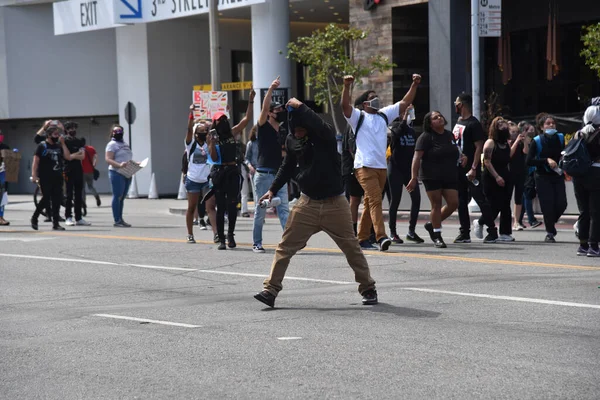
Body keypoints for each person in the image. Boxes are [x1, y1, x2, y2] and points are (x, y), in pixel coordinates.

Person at [253, 98, 378, 308]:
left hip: (335, 204)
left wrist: (302, 107)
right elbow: (287, 166)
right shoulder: (293, 140)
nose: (299, 133)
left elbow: (321, 127)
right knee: (284, 247)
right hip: (307, 203)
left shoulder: (323, 136)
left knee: (351, 248)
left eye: (302, 129)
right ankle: (270, 290)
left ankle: (367, 288)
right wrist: (272, 189)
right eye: (296, 130)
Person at [341, 73, 421, 251]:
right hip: (364, 166)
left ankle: (361, 239)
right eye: (371, 98)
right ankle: (381, 236)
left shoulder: (384, 115)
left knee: (370, 202)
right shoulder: (358, 117)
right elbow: (344, 106)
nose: (376, 99)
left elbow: (404, 103)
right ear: (364, 104)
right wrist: (346, 87)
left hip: (381, 167)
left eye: (376, 97)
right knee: (376, 200)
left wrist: (414, 85)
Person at [408, 111, 464, 248]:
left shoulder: (449, 134)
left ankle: (432, 224)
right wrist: (413, 177)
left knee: (454, 203)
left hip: (449, 174)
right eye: (435, 118)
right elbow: (416, 158)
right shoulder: (425, 137)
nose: (439, 118)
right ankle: (437, 235)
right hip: (431, 175)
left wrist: (463, 156)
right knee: (436, 204)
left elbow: (456, 150)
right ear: (430, 123)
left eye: (440, 116)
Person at [208, 90, 255, 250]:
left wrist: (250, 101)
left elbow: (247, 119)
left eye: (224, 119)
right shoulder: (212, 138)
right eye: (219, 120)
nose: (222, 122)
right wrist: (212, 143)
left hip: (233, 170)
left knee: (232, 204)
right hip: (219, 172)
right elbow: (213, 158)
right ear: (214, 124)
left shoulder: (232, 132)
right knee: (220, 206)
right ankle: (221, 238)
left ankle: (230, 235)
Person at [452, 93, 497, 243]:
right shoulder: (459, 121)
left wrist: (473, 168)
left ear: (462, 105)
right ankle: (464, 232)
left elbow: (479, 147)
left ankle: (492, 231)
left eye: (457, 103)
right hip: (459, 168)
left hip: (471, 169)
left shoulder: (473, 123)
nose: (455, 105)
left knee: (480, 199)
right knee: (461, 200)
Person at [252, 77, 290, 253]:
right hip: (263, 174)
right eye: (278, 109)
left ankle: (289, 241)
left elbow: (282, 152)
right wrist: (271, 89)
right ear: (270, 112)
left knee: (283, 209)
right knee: (261, 211)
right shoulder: (263, 125)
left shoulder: (282, 130)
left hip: (278, 174)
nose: (280, 111)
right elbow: (264, 107)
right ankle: (257, 243)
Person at [30, 121, 80, 231]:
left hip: (57, 176)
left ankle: (56, 223)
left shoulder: (58, 145)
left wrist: (62, 144)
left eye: (58, 134)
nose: (57, 136)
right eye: (55, 135)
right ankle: (35, 218)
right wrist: (34, 175)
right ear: (48, 135)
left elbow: (67, 156)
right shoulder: (42, 146)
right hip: (45, 176)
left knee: (57, 199)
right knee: (46, 198)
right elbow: (36, 161)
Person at [526, 114, 567, 243]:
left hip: (557, 175)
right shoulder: (537, 141)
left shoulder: (560, 138)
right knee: (547, 205)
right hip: (542, 176)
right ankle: (550, 232)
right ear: (542, 127)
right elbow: (529, 161)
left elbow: (563, 153)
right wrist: (546, 160)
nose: (551, 125)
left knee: (562, 203)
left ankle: (549, 221)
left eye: (553, 123)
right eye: (548, 124)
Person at [387, 104, 424, 244]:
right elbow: (395, 137)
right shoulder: (396, 126)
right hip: (395, 169)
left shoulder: (411, 130)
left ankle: (411, 231)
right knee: (395, 201)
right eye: (407, 112)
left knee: (416, 198)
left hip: (408, 170)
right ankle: (392, 232)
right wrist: (403, 118)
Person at [572, 105, 600, 257]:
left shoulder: (579, 133)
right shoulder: (598, 132)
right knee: (596, 211)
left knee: (584, 211)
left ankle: (583, 245)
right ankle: (594, 246)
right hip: (596, 172)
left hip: (579, 174)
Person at [184, 105, 212, 244]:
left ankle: (217, 234)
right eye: (201, 131)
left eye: (205, 131)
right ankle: (190, 234)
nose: (204, 132)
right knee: (191, 207)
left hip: (207, 180)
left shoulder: (209, 143)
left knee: (211, 207)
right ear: (196, 133)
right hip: (193, 180)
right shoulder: (191, 144)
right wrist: (191, 114)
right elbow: (189, 129)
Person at [482, 117, 513, 242]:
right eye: (499, 123)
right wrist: (497, 177)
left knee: (506, 205)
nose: (502, 124)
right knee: (493, 205)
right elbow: (487, 162)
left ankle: (505, 233)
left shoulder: (506, 143)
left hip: (505, 175)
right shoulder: (490, 142)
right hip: (491, 177)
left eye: (504, 122)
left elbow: (508, 158)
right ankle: (480, 222)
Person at [513, 122, 543, 230]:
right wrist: (524, 140)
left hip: (531, 171)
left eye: (531, 129)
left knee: (524, 196)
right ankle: (530, 220)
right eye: (527, 129)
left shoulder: (533, 141)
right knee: (526, 195)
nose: (531, 131)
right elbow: (525, 153)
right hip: (523, 172)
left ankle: (519, 220)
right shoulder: (519, 142)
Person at [105, 125, 136, 227]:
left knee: (122, 197)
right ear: (112, 133)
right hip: (116, 172)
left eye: (120, 131)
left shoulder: (125, 144)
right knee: (117, 196)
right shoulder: (111, 144)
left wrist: (135, 164)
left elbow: (127, 157)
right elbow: (108, 159)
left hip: (126, 172)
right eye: (116, 131)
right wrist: (119, 165)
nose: (118, 132)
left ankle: (120, 219)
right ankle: (117, 220)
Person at [62, 121, 90, 227]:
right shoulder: (64, 141)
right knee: (69, 195)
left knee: (79, 195)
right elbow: (66, 157)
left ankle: (79, 218)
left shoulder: (80, 141)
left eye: (74, 128)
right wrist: (73, 155)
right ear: (66, 130)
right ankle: (68, 217)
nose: (72, 130)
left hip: (79, 169)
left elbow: (82, 156)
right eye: (70, 128)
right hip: (68, 170)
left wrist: (72, 155)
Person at [82, 139, 101, 207]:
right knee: (90, 186)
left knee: (82, 188)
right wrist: (94, 164)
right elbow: (96, 156)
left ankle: (83, 203)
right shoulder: (91, 148)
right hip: (90, 171)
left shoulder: (80, 150)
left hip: (82, 172)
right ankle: (96, 196)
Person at [244, 125, 259, 212]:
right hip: (254, 169)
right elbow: (247, 158)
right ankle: (258, 211)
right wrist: (250, 166)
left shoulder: (264, 142)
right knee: (256, 192)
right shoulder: (251, 143)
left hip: (263, 169)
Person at [0, 131, 10, 226]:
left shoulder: (5, 147)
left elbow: (11, 162)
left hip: (2, 175)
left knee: (2, 197)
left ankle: (1, 217)